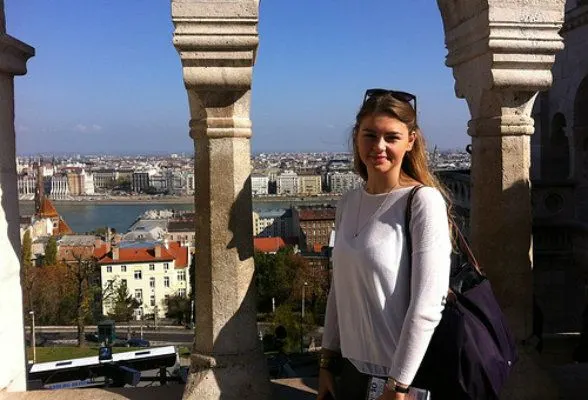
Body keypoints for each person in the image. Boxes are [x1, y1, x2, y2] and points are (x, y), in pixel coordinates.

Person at [317, 89, 452, 400]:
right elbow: (339, 289)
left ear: (411, 141)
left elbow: (428, 304)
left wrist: (398, 385)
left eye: (391, 137)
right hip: (352, 373)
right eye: (370, 135)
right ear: (357, 138)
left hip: (401, 379)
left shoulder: (422, 202)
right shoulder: (348, 202)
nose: (379, 146)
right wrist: (327, 361)